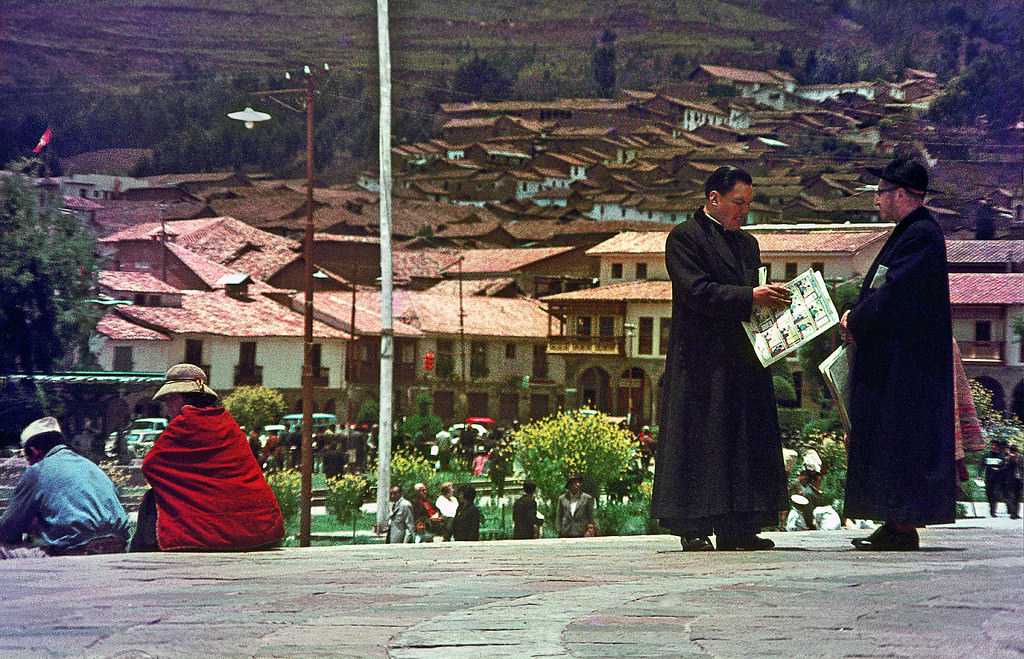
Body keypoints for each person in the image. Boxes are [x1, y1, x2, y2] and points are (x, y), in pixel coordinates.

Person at [650, 165, 791, 552]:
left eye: (748, 204)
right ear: (714, 198)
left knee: (743, 441)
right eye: (738, 203)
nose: (744, 212)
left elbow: (755, 295)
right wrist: (751, 297)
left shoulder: (747, 244)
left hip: (744, 359)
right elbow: (697, 292)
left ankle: (739, 527)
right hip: (700, 361)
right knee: (700, 440)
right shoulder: (684, 238)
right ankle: (693, 526)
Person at [840, 157, 956, 551]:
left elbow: (894, 293)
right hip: (898, 360)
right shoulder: (911, 231)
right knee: (893, 438)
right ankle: (895, 521)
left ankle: (902, 525)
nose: (876, 199)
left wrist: (855, 319)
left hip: (908, 365)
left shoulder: (920, 234)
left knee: (902, 439)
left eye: (882, 192)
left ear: (902, 195)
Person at [131, 364, 284, 552]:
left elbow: (151, 466)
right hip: (262, 530)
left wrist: (183, 486)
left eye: (171, 398)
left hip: (208, 533)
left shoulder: (184, 422)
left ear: (187, 400)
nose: (166, 405)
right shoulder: (228, 422)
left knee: (152, 499)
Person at [1, 417, 130, 558]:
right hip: (118, 545)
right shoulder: (90, 465)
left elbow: (8, 529)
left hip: (77, 550)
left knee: (3, 550)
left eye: (27, 457)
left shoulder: (37, 471)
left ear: (34, 451)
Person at [982, 440, 1007, 517]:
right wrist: (980, 474)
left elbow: (1006, 466)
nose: (992, 447)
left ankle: (993, 511)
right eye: (991, 445)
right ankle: (991, 507)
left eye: (994, 445)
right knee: (989, 494)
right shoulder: (987, 455)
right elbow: (981, 465)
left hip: (998, 479)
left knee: (995, 494)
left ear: (997, 447)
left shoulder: (1002, 456)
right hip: (989, 478)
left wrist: (999, 469)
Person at [1003, 445, 1022, 519]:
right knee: (1012, 496)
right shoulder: (1008, 458)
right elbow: (1005, 468)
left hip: (1018, 479)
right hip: (1010, 480)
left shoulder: (1021, 458)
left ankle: (1016, 513)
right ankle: (1013, 513)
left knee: (1017, 497)